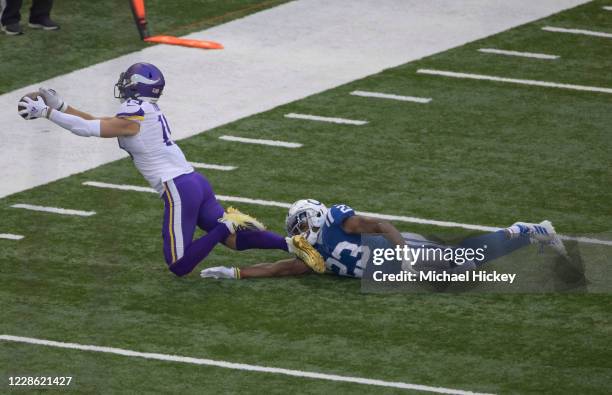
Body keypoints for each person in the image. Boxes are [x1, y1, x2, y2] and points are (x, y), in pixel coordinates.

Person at [17, 62, 324, 277]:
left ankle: (226, 224)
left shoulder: (135, 112)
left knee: (179, 264)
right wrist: (61, 108)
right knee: (233, 243)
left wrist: (46, 112)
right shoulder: (143, 110)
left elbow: (87, 130)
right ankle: (291, 244)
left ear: (136, 86)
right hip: (194, 181)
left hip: (178, 188)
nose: (122, 84)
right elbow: (97, 123)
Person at [200, 199, 568, 279]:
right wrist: (237, 273)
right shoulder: (313, 250)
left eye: (298, 226)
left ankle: (527, 230)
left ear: (310, 217)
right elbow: (283, 267)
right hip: (390, 270)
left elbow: (382, 224)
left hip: (397, 253)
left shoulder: (335, 221)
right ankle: (526, 235)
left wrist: (405, 253)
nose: (296, 234)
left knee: (464, 261)